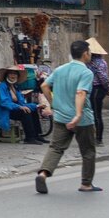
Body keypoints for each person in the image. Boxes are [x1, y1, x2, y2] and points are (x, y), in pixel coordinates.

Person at [34, 39, 99, 195]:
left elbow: (44, 86)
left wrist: (54, 103)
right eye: (89, 52)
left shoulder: (60, 69)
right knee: (88, 151)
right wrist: (77, 114)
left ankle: (43, 174)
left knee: (56, 148)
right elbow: (81, 93)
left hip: (60, 117)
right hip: (82, 120)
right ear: (85, 54)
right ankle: (86, 184)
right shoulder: (86, 72)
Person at [0, 65, 45, 144]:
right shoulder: (1, 87)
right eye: (11, 74)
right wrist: (20, 107)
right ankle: (29, 138)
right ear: (6, 75)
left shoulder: (15, 87)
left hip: (15, 109)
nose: (13, 76)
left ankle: (37, 135)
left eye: (15, 74)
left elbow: (22, 103)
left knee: (33, 110)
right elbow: (4, 103)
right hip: (5, 112)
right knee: (25, 112)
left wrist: (36, 106)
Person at [84, 37, 109, 145]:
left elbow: (103, 77)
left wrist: (108, 88)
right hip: (92, 88)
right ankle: (93, 136)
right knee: (92, 113)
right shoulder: (91, 62)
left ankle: (99, 138)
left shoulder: (98, 62)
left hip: (97, 89)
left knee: (96, 114)